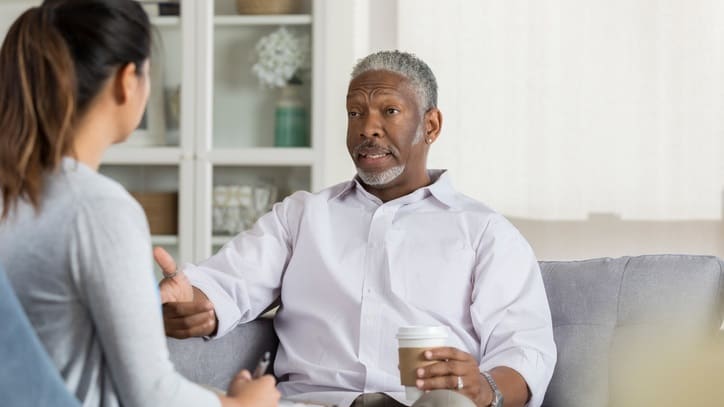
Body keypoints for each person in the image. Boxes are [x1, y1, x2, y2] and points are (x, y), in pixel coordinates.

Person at [157, 50, 557, 407]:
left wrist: (484, 388)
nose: (368, 128)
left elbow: (524, 350)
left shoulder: (485, 232)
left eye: (389, 111)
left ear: (431, 126)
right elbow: (226, 284)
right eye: (355, 113)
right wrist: (195, 303)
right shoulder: (302, 216)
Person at [0, 1, 279, 406]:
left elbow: (46, 329)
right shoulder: (97, 209)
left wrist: (142, 300)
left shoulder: (19, 193)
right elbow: (150, 395)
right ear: (127, 81)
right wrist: (239, 405)